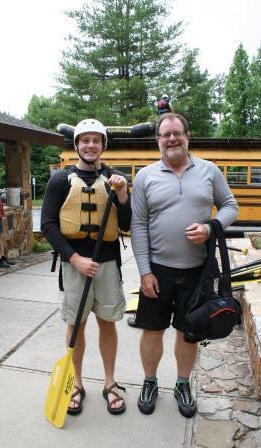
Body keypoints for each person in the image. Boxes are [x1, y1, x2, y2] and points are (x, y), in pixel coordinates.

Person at [131, 113, 238, 418]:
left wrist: (210, 227)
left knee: (187, 332)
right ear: (158, 141)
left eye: (177, 133)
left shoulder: (209, 171)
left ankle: (182, 384)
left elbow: (231, 205)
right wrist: (144, 271)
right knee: (152, 330)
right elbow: (138, 225)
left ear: (188, 136)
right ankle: (149, 382)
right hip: (157, 270)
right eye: (165, 135)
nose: (171, 139)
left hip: (198, 270)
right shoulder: (145, 177)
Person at [41, 118, 131, 415]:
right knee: (75, 325)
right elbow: (49, 225)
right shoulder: (59, 180)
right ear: (77, 145)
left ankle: (109, 383)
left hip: (107, 264)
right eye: (85, 140)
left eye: (96, 140)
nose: (90, 145)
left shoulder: (116, 178)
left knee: (107, 323)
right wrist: (74, 258)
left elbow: (128, 223)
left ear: (103, 145)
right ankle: (76, 383)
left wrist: (122, 195)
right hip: (74, 265)